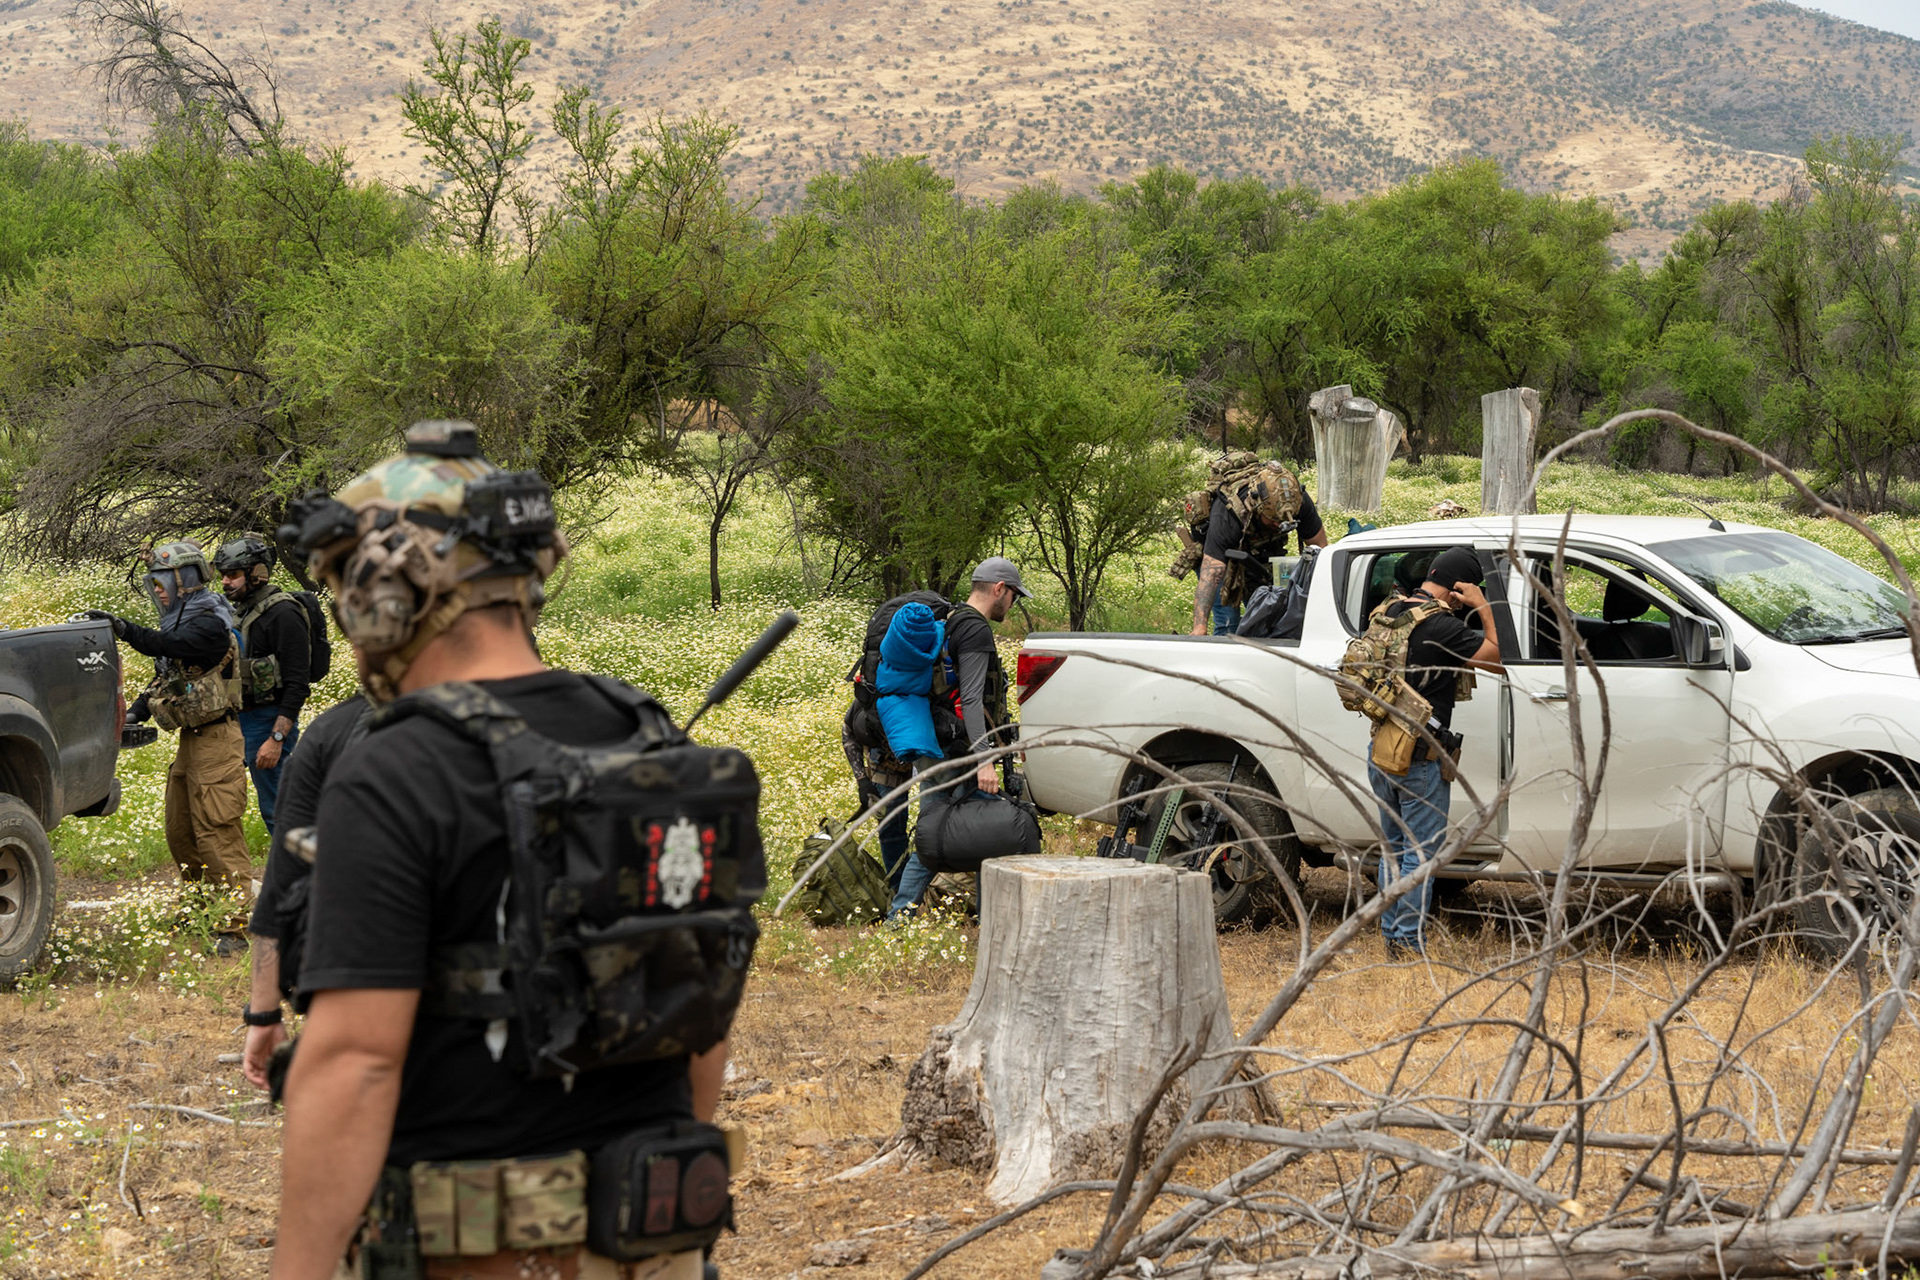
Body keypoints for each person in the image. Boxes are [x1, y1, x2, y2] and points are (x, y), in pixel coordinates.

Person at [272, 420, 761, 1279]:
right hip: (651, 1249)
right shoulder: (648, 735)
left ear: (385, 592)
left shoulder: (392, 769)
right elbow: (699, 1027)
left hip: (476, 1253)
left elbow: (355, 1063)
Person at [88, 542, 253, 950]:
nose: (158, 592)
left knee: (217, 833)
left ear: (187, 580)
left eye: (163, 583)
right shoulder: (181, 622)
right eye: (155, 585)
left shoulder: (209, 624)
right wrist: (133, 714)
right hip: (191, 742)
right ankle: (199, 910)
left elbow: (169, 646)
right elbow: (167, 678)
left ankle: (233, 925)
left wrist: (124, 629)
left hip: (218, 741)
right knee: (182, 833)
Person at [1362, 546, 1503, 957]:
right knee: (1420, 857)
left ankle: (1392, 936)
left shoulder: (1389, 611)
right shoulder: (1441, 626)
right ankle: (1407, 943)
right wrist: (1482, 605)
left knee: (1393, 850)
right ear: (1459, 586)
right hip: (1420, 757)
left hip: (1382, 747)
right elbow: (1496, 657)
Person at [239, 692, 369, 1091]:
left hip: (365, 999)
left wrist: (263, 1012)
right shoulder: (527, 718)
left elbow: (281, 884)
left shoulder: (335, 730)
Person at [888, 556, 1030, 919]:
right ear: (999, 589)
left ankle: (903, 917)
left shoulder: (951, 620)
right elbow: (971, 700)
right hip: (961, 753)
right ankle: (983, 916)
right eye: (1013, 596)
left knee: (941, 831)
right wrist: (984, 761)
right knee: (980, 832)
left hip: (937, 744)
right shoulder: (975, 630)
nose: (1012, 604)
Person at [214, 535, 313, 836]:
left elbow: (297, 684)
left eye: (233, 574)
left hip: (268, 721)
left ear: (256, 573)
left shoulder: (284, 614)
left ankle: (305, 864)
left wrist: (276, 738)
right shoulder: (241, 612)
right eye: (223, 575)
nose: (225, 582)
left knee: (278, 809)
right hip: (240, 720)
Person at [1189, 459, 1328, 636]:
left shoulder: (1298, 502)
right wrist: (1199, 627)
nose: (1279, 525)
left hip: (1259, 553)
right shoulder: (1228, 513)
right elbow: (1211, 573)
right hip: (1220, 557)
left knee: (1265, 615)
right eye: (1273, 520)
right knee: (1228, 622)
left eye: (1285, 521)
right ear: (1256, 506)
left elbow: (1321, 550)